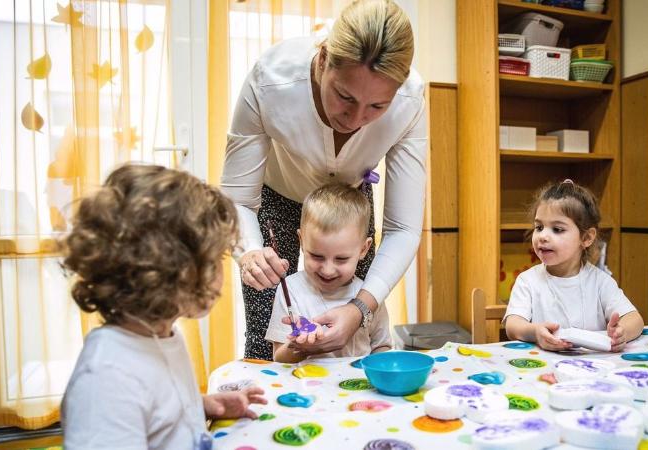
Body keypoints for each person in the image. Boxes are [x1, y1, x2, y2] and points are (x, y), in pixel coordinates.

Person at [221, 0, 425, 360]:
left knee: (358, 321)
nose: (357, 118)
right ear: (322, 60)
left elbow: (404, 228)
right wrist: (250, 250)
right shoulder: (271, 81)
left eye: (377, 107)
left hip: (349, 203)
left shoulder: (410, 100)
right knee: (263, 327)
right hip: (274, 197)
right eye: (345, 96)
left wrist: (361, 307)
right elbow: (237, 197)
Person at [60, 164, 267, 449]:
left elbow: (161, 408)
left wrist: (205, 406)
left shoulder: (160, 334)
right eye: (215, 258)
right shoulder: (107, 379)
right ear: (169, 270)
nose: (222, 273)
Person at [503, 179, 644, 352]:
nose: (543, 236)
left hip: (594, 366)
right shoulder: (528, 281)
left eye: (557, 229)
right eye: (539, 227)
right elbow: (512, 325)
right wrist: (535, 332)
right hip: (543, 367)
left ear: (586, 238)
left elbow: (635, 319)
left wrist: (622, 333)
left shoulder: (600, 281)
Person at [265, 183, 392, 363]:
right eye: (317, 256)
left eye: (341, 259)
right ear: (302, 240)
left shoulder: (370, 294)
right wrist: (301, 347)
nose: (327, 270)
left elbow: (382, 346)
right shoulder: (290, 290)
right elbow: (279, 358)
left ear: (364, 249)